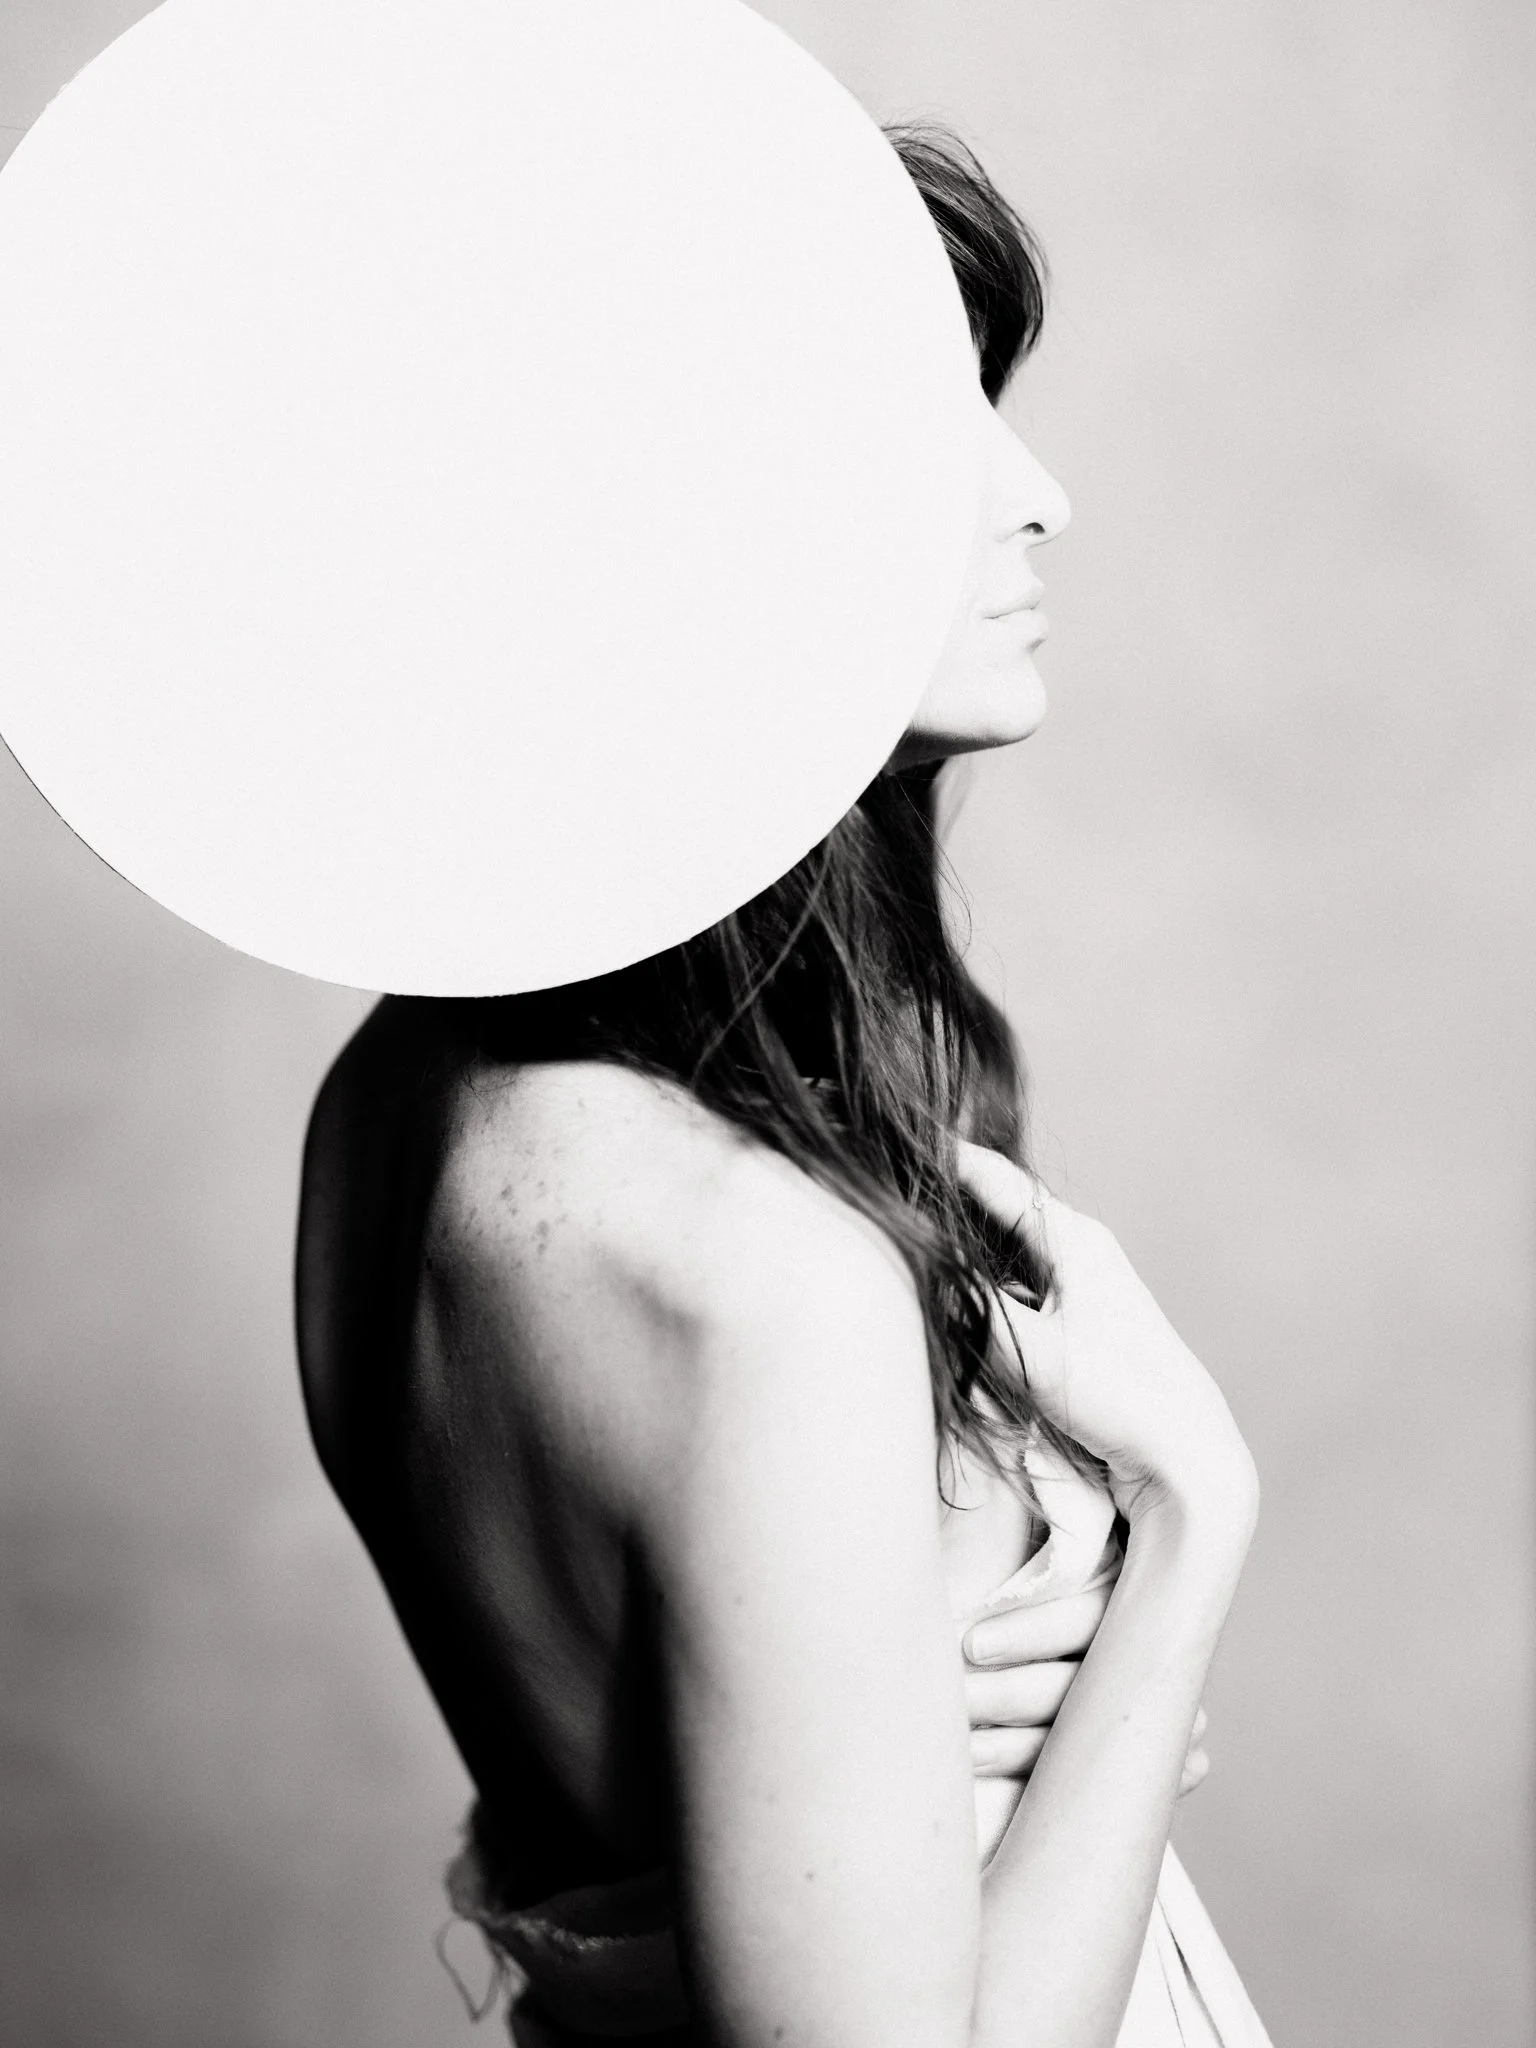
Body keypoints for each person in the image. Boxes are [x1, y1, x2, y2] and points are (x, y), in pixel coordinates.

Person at [295, 124, 1271, 2048]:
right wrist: (1186, 1533)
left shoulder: (393, 1104)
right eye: (930, 433)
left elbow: (626, 1788)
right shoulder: (761, 1280)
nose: (1042, 498)